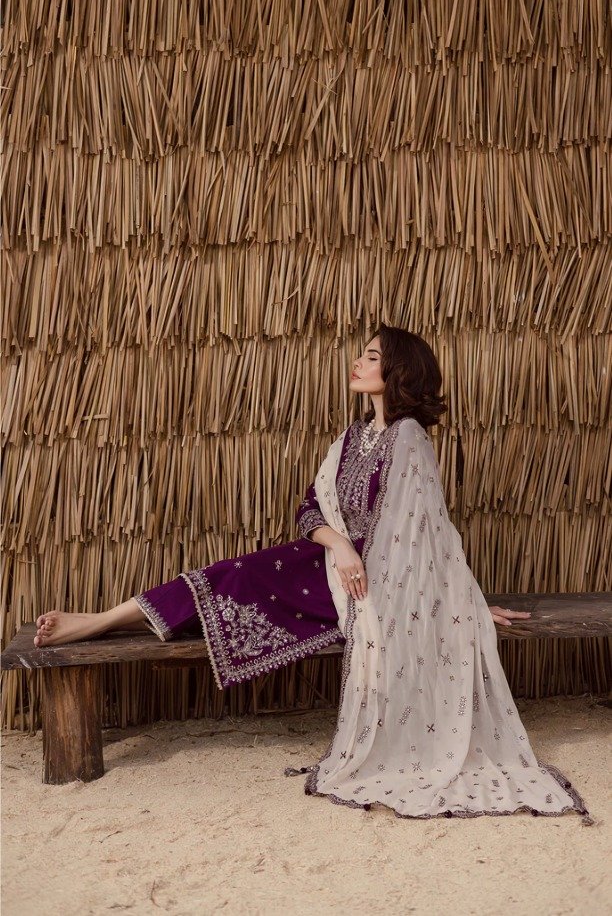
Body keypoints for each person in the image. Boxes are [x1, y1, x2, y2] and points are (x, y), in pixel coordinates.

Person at [32, 324, 591, 822]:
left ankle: (98, 622)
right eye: (362, 354)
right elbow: (309, 509)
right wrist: (340, 545)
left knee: (231, 586)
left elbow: (431, 537)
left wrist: (463, 604)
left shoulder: (409, 440)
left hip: (372, 588)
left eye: (372, 357)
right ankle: (100, 620)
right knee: (229, 577)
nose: (358, 362)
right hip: (329, 566)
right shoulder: (350, 438)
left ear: (398, 371)